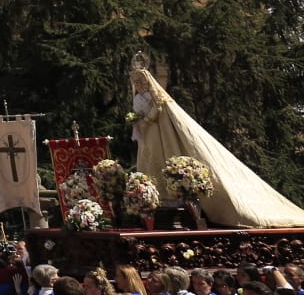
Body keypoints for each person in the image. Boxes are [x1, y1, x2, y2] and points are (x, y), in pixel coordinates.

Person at [130, 53, 304, 227]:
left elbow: (158, 109)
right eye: (135, 82)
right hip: (146, 134)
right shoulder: (137, 98)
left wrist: (145, 119)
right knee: (150, 161)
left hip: (157, 132)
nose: (138, 84)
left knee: (160, 156)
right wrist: (135, 120)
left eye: (140, 81)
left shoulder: (155, 96)